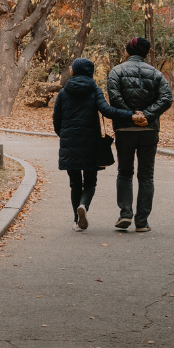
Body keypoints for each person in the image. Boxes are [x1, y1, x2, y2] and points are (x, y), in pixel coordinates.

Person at [53, 58, 137, 231]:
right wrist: (130, 115)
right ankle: (83, 205)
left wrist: (64, 135)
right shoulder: (94, 90)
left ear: (74, 71)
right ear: (90, 72)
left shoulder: (63, 92)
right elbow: (107, 111)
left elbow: (56, 119)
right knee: (90, 182)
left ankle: (77, 220)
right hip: (91, 143)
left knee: (75, 183)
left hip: (70, 142)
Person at [107, 36, 173, 232]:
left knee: (125, 173)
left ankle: (125, 214)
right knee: (146, 176)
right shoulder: (156, 73)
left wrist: (132, 116)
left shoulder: (116, 71)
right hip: (149, 130)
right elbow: (166, 98)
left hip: (124, 129)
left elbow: (115, 97)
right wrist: (147, 115)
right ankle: (142, 222)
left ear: (128, 51)